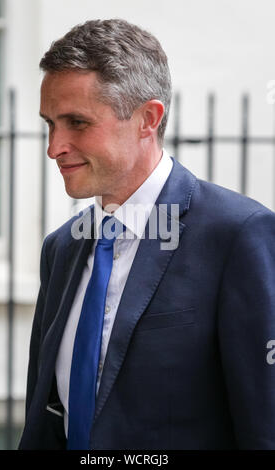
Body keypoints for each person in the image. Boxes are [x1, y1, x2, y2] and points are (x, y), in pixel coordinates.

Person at [19, 18, 275, 450]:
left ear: (148, 119)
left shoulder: (237, 236)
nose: (54, 146)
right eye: (49, 124)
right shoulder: (60, 248)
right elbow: (46, 422)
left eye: (77, 122)